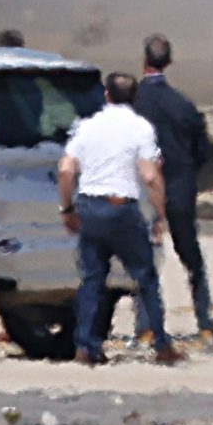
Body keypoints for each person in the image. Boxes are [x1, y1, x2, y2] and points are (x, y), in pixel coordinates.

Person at [58, 72, 186, 366]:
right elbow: (150, 176)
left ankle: (86, 346)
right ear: (135, 98)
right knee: (146, 279)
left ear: (106, 95)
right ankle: (161, 344)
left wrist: (67, 209)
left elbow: (66, 170)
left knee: (91, 280)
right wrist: (159, 215)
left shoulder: (86, 126)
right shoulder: (140, 128)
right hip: (122, 208)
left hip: (89, 205)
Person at [134, 34, 213, 349]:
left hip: (144, 189)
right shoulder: (182, 104)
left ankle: (145, 327)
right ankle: (205, 324)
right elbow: (202, 152)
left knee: (144, 258)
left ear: (144, 60)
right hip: (180, 189)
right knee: (192, 258)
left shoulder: (133, 103)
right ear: (168, 62)